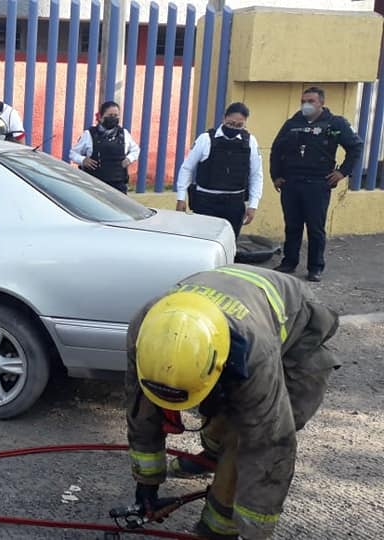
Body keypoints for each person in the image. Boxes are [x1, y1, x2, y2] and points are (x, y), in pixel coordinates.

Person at [124, 264, 339, 540]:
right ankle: (212, 456)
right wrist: (146, 483)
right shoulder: (146, 327)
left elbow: (268, 445)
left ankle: (219, 527)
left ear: (220, 363)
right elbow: (141, 409)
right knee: (218, 405)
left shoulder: (255, 352)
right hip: (236, 304)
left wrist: (254, 529)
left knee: (245, 435)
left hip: (298, 329)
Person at [271, 87, 363, 282]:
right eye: (303, 100)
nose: (306, 104)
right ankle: (289, 262)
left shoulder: (335, 124)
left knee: (315, 227)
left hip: (317, 183)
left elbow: (355, 147)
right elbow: (276, 149)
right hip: (291, 182)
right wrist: (276, 175)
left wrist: (342, 172)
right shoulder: (292, 123)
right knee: (292, 225)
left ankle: (315, 267)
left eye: (311, 101)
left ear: (321, 102)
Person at [176, 102, 263, 238]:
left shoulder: (250, 142)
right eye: (231, 123)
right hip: (206, 202)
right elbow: (186, 168)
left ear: (245, 123)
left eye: (239, 125)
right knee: (202, 242)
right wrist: (181, 197)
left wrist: (253, 205)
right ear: (224, 119)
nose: (234, 128)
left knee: (229, 245)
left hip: (234, 203)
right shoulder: (205, 139)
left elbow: (256, 175)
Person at [69, 101, 141, 193]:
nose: (113, 118)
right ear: (101, 117)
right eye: (110, 115)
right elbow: (73, 153)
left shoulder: (124, 134)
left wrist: (129, 159)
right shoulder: (89, 134)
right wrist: (83, 160)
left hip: (118, 184)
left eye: (116, 115)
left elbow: (135, 150)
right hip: (93, 184)